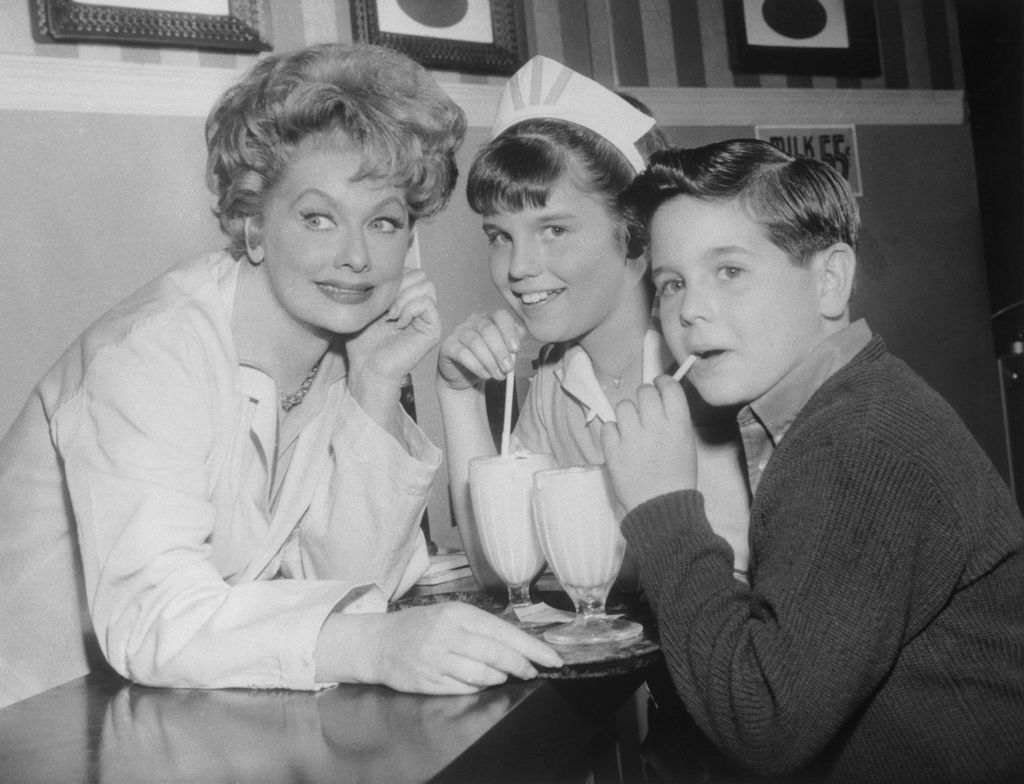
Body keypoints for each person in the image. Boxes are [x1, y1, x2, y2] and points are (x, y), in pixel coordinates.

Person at [0, 42, 561, 709]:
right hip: (35, 719)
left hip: (171, 711)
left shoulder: (334, 352)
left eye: (384, 222)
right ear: (254, 223)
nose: (356, 256)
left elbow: (351, 583)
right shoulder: (151, 353)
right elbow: (152, 617)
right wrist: (375, 646)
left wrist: (375, 388)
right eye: (318, 217)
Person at [601, 139, 1024, 782]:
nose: (689, 309)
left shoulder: (859, 440)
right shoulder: (843, 408)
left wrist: (663, 507)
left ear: (830, 280)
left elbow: (764, 722)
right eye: (671, 283)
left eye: (729, 271)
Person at [435, 56, 750, 593]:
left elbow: (735, 590)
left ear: (635, 234)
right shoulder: (555, 384)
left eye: (553, 229)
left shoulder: (711, 378)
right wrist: (456, 393)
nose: (516, 268)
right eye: (499, 235)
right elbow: (501, 569)